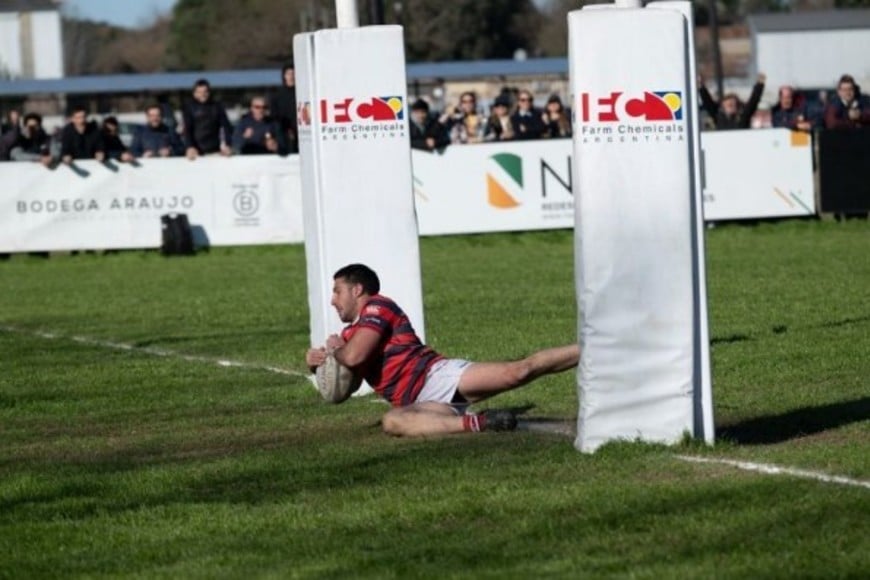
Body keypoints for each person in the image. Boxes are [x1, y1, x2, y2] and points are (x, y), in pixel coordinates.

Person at [305, 264, 580, 437]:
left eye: (337, 291)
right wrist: (318, 365)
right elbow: (344, 390)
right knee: (392, 422)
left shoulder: (379, 307)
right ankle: (480, 423)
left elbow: (353, 356)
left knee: (518, 371)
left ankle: (593, 348)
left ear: (357, 290)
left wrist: (336, 353)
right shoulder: (350, 335)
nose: (332, 300)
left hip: (437, 377)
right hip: (419, 403)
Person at [181, 78, 233, 159]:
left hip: (215, 151)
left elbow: (226, 127)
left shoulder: (217, 106)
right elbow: (187, 129)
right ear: (195, 93)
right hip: (196, 152)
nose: (203, 94)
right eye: (199, 92)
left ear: (209, 92)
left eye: (205, 92)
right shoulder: (189, 108)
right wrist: (190, 147)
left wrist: (227, 145)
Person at [699, 73, 766, 130]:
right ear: (723, 106)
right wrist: (701, 86)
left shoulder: (743, 117)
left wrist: (759, 85)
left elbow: (753, 101)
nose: (731, 106)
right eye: (729, 105)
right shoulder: (718, 116)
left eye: (734, 104)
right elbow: (707, 102)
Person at [269, 64, 298, 154]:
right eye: (288, 74)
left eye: (293, 73)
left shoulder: (303, 92)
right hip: (284, 131)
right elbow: (274, 115)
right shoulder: (277, 94)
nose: (291, 76)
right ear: (284, 76)